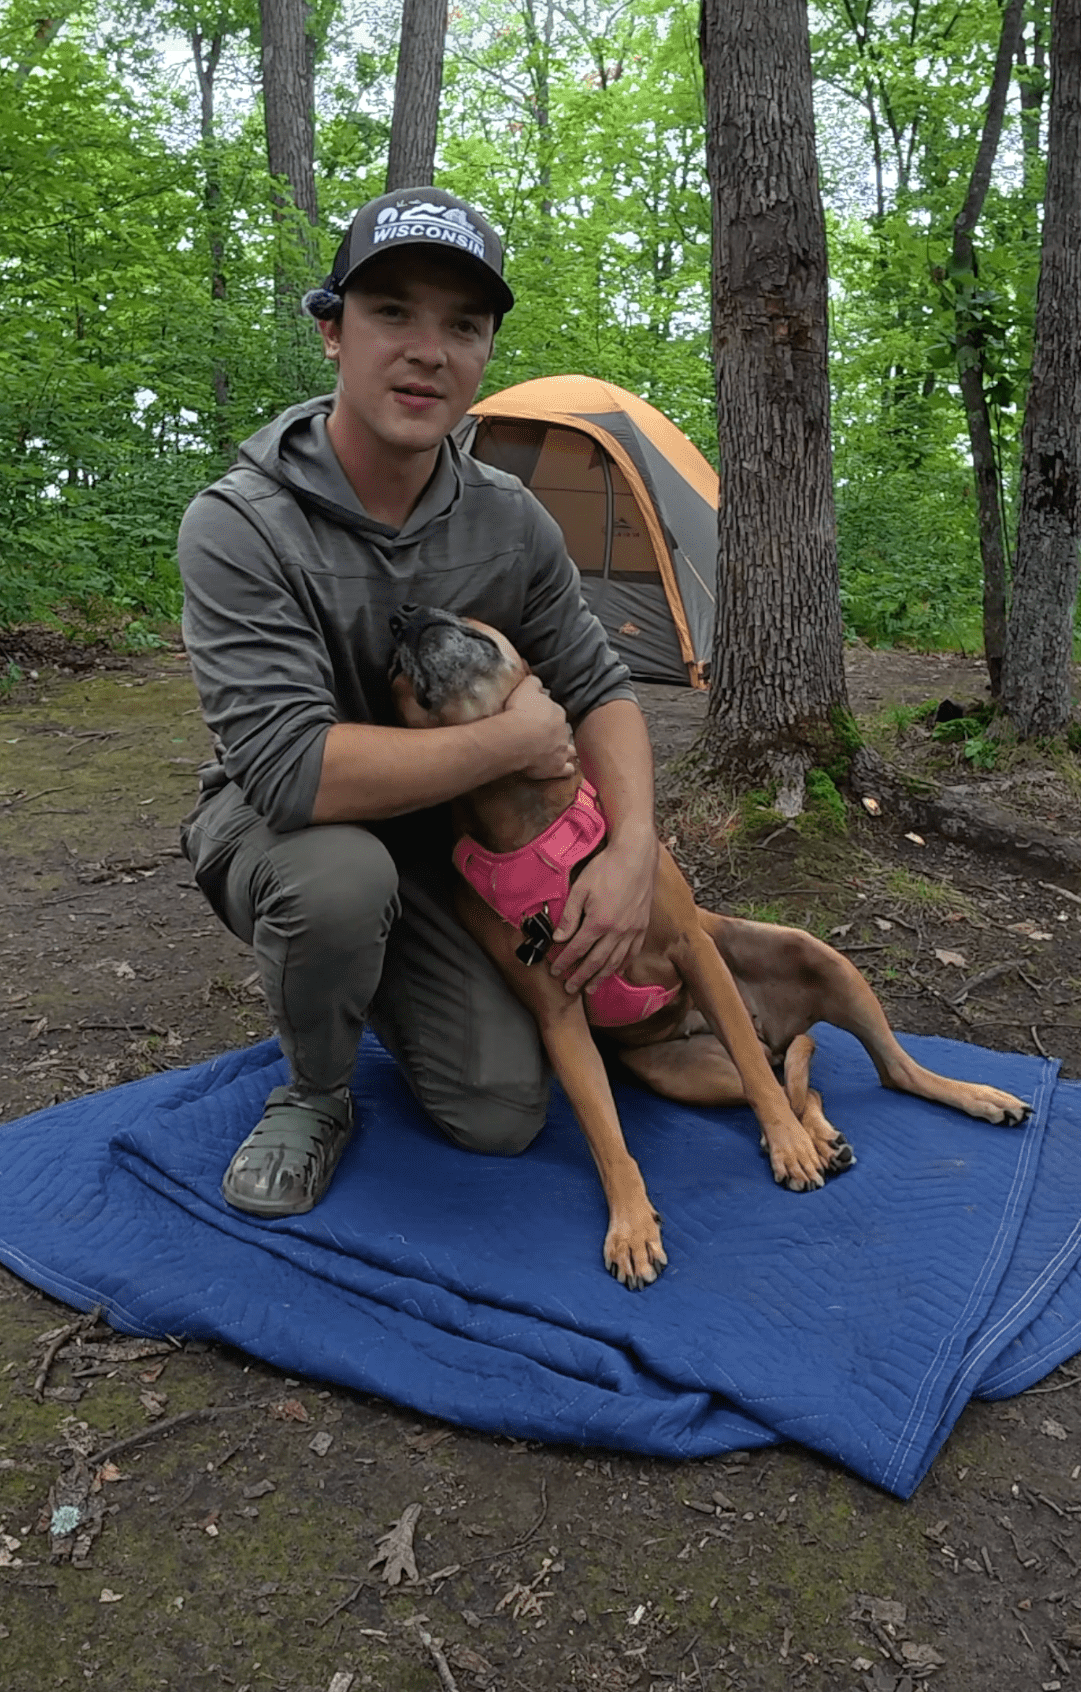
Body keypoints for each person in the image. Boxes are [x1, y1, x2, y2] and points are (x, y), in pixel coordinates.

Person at [176, 188, 659, 1219]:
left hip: (453, 848)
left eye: (463, 326)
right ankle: (315, 1093)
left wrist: (628, 852)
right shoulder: (239, 526)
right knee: (341, 882)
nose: (427, 350)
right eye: (393, 312)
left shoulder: (508, 519)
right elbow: (293, 772)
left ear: (485, 356)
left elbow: (601, 687)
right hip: (287, 831)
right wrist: (510, 741)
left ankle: (398, 977)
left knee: (499, 1114)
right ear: (331, 332)